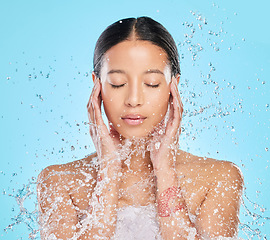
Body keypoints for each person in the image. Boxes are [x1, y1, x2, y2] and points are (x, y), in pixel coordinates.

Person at [37, 16, 244, 240]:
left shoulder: (219, 179)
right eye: (117, 83)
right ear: (97, 86)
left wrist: (165, 170)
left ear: (172, 86)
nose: (134, 99)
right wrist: (109, 171)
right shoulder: (60, 182)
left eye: (152, 83)